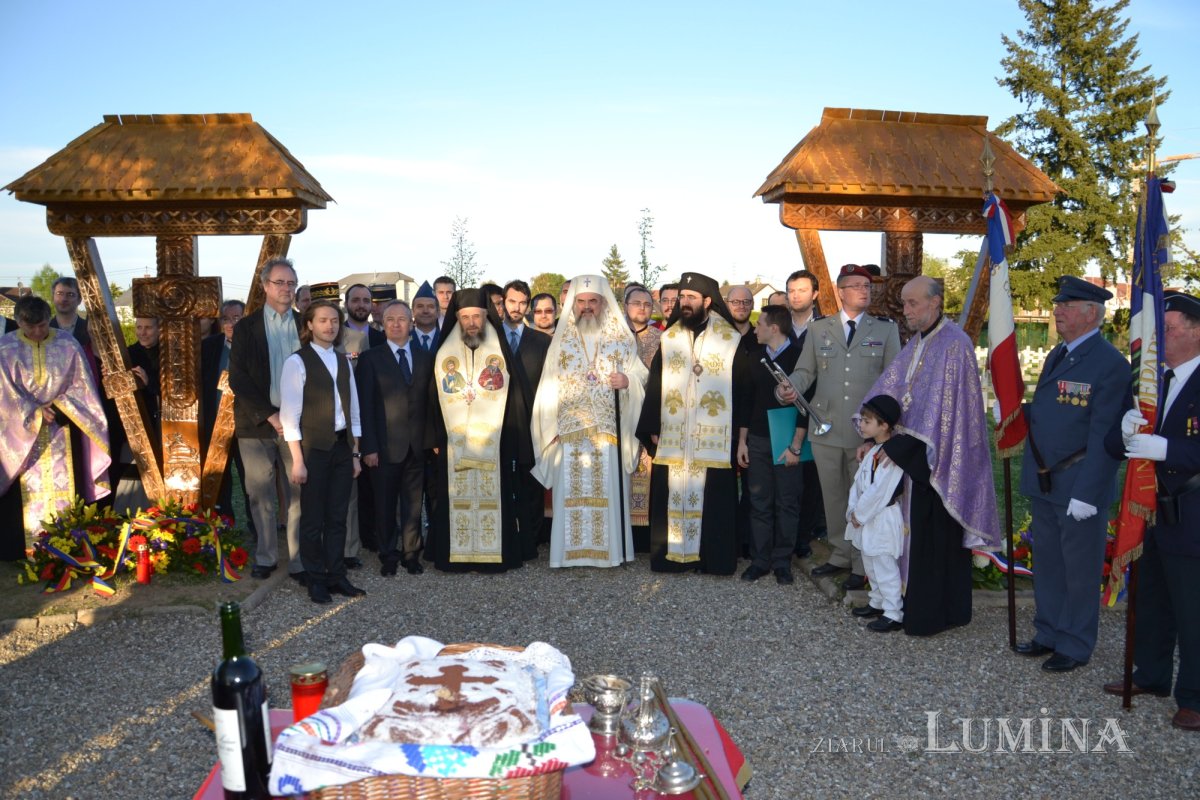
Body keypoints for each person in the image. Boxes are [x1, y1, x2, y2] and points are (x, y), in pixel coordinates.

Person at [866, 276, 1001, 635]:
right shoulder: (919, 342)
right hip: (914, 454)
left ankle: (929, 614)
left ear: (936, 302)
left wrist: (894, 446)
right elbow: (894, 387)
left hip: (938, 462)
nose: (906, 310)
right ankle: (903, 604)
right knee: (913, 536)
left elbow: (942, 414)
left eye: (913, 303)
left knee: (933, 538)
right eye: (905, 303)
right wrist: (873, 426)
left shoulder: (953, 344)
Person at [1014, 275, 1127, 672]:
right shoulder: (1058, 354)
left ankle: (1076, 644)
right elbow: (1054, 414)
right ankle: (1048, 632)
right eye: (1058, 304)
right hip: (1046, 478)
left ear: (1091, 314)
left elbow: (1105, 436)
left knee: (1079, 570)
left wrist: (1089, 491)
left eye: (1067, 306)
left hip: (1078, 484)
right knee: (1048, 562)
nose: (1057, 311)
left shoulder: (1109, 364)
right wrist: (1015, 414)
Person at [1102, 291, 1200, 730]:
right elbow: (1111, 443)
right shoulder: (1151, 381)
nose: (1161, 338)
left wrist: (1168, 448)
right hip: (1148, 510)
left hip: (1192, 511)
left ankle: (1194, 697)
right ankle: (1152, 675)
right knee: (1151, 599)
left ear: (1197, 332)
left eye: (1171, 329)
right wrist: (1124, 431)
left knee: (1192, 609)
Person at [784, 264, 901, 589]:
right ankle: (839, 553)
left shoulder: (884, 330)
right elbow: (805, 371)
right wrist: (788, 386)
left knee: (864, 496)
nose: (865, 291)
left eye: (867, 286)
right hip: (825, 428)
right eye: (856, 286)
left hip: (867, 432)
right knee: (833, 497)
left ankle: (862, 563)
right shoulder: (820, 329)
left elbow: (894, 379)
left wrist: (885, 428)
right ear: (840, 291)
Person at [532, 274, 648, 567]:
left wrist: (628, 381)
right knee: (569, 494)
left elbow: (641, 376)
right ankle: (568, 554)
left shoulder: (621, 339)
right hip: (568, 432)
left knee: (607, 493)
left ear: (603, 303)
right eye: (581, 301)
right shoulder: (562, 341)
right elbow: (548, 386)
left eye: (592, 301)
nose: (586, 307)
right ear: (573, 303)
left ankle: (609, 553)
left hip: (608, 432)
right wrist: (549, 429)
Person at [637, 272, 742, 575]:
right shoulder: (669, 339)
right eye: (682, 297)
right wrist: (652, 425)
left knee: (713, 497)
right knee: (671, 491)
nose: (684, 302)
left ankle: (711, 559)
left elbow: (741, 387)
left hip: (713, 438)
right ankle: (669, 557)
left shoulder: (729, 340)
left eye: (691, 298)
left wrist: (740, 434)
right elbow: (656, 382)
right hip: (674, 434)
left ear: (707, 301)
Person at [425, 288, 530, 572]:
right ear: (457, 318)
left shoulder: (499, 351)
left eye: (478, 316)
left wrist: (512, 435)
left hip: (493, 442)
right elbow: (433, 397)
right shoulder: (445, 352)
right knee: (452, 497)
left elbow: (514, 398)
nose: (472, 322)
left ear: (487, 317)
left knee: (495, 497)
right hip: (453, 442)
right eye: (466, 317)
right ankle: (454, 556)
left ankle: (495, 555)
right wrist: (435, 435)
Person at [0, 296, 110, 558]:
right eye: (31, 327)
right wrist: (34, 412)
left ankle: (68, 543)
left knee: (68, 486)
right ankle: (20, 548)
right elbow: (4, 394)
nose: (38, 332)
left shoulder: (67, 344)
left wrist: (60, 407)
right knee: (19, 493)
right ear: (18, 322)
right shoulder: (6, 348)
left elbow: (83, 386)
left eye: (42, 326)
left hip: (62, 428)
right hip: (20, 435)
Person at [280, 300, 364, 604]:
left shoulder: (343, 361)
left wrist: (355, 454)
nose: (330, 326)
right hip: (313, 449)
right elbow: (290, 416)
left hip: (342, 448)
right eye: (323, 320)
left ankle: (336, 574)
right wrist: (298, 461)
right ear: (309, 326)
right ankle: (315, 578)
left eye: (334, 321)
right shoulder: (297, 362)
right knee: (313, 518)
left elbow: (353, 409)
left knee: (338, 516)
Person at [229, 258, 305, 582]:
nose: (286, 289)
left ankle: (299, 559)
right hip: (256, 423)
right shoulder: (246, 328)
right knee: (260, 491)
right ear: (265, 287)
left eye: (291, 283)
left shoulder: (306, 324)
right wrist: (270, 414)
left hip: (298, 424)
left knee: (299, 491)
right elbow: (238, 378)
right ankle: (266, 556)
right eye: (279, 283)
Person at [356, 300, 432, 577]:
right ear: (382, 324)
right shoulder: (370, 359)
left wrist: (431, 440)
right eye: (390, 320)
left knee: (413, 504)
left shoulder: (425, 357)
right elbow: (365, 406)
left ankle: (411, 553)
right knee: (384, 504)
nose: (397, 324)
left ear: (411, 323)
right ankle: (387, 553)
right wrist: (369, 447)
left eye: (402, 319)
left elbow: (430, 402)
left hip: (416, 445)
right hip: (384, 447)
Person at [734, 304, 805, 585]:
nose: (755, 329)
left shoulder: (800, 358)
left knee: (787, 502)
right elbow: (746, 403)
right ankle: (760, 560)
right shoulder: (754, 358)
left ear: (773, 328)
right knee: (759, 501)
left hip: (788, 440)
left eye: (759, 324)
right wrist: (743, 442)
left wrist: (796, 445)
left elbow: (805, 404)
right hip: (759, 439)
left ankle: (782, 562)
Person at [845, 395, 905, 631]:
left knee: (884, 566)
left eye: (867, 422)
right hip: (866, 518)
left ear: (884, 426)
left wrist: (859, 515)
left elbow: (880, 491)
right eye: (862, 420)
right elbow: (859, 483)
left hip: (881, 518)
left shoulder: (891, 457)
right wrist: (853, 509)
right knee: (870, 563)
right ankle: (878, 601)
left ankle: (893, 612)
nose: (861, 425)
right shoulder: (873, 449)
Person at [502, 279, 551, 557]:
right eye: (512, 301)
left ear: (528, 306)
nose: (516, 307)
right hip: (499, 423)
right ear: (504, 303)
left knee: (530, 484)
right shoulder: (491, 339)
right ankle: (507, 537)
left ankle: (529, 542)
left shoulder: (541, 341)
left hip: (533, 424)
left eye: (522, 302)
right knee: (503, 483)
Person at [341, 283, 386, 565]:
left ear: (372, 306)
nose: (361, 304)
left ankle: (375, 536)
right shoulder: (334, 337)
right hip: (344, 419)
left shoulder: (381, 339)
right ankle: (349, 543)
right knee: (351, 487)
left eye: (365, 300)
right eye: (355, 300)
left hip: (377, 419)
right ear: (346, 303)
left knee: (375, 481)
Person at [201, 299, 251, 526]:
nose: (230, 323)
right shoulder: (209, 346)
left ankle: (256, 524)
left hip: (248, 424)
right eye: (225, 318)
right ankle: (223, 522)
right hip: (216, 423)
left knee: (250, 478)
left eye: (236, 318)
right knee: (219, 478)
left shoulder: (256, 345)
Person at [624, 285, 661, 549]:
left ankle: (643, 539)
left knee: (647, 474)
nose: (642, 308)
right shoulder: (612, 338)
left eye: (647, 304)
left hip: (648, 416)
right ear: (625, 306)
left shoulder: (661, 340)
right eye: (636, 303)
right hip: (620, 416)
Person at [49, 276, 92, 352]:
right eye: (59, 293)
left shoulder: (89, 330)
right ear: (52, 298)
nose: (64, 299)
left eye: (70, 294)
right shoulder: (44, 330)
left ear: (79, 300)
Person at [410, 281, 441, 353]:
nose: (425, 311)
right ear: (412, 312)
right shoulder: (403, 340)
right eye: (420, 306)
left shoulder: (446, 340)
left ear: (438, 312)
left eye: (430, 306)